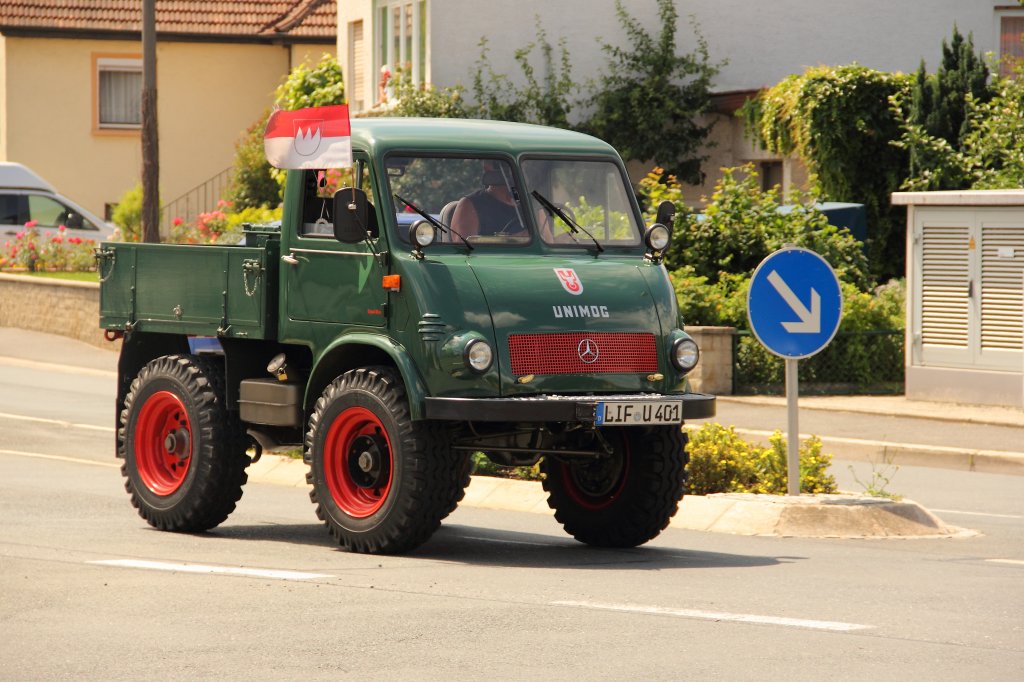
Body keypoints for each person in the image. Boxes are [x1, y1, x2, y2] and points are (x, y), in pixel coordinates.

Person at [450, 167, 524, 237]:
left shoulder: (533, 201)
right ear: (488, 167)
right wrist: (524, 238)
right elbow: (463, 249)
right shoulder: (469, 206)